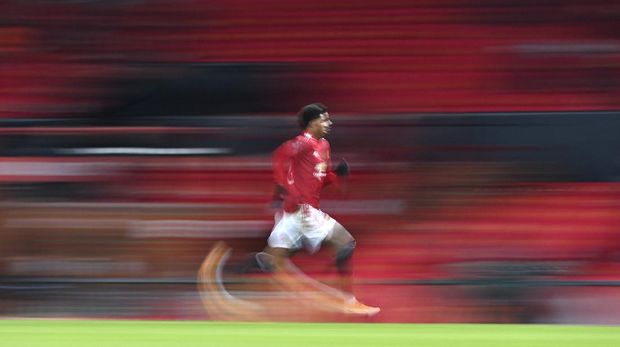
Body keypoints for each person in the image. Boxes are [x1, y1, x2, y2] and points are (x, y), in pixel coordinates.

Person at [256, 102, 380, 315]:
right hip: (304, 210)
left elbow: (319, 180)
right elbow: (279, 156)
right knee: (346, 243)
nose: (329, 123)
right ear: (312, 123)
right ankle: (348, 301)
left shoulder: (323, 145)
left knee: (275, 258)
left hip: (294, 213)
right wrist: (284, 187)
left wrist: (336, 174)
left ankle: (246, 269)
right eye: (324, 119)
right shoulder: (303, 142)